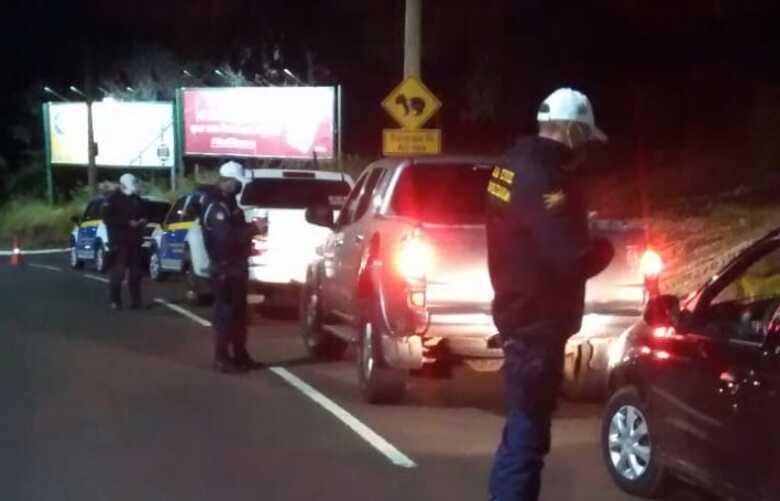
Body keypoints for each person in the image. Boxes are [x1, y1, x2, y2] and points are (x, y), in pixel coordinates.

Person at [485, 88, 614, 501]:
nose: (585, 149)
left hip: (518, 312)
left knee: (520, 433)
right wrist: (603, 247)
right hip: (537, 323)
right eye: (584, 137)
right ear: (572, 131)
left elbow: (528, 227)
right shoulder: (544, 177)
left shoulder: (510, 164)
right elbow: (570, 260)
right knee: (528, 438)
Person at [202, 161, 265, 373]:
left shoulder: (230, 204)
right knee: (225, 314)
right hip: (224, 268)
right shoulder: (216, 206)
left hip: (236, 267)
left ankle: (240, 354)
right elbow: (225, 238)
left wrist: (250, 235)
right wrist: (252, 229)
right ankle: (221, 357)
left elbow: (237, 232)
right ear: (227, 181)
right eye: (237, 183)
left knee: (239, 314)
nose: (240, 187)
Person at [102, 173, 148, 311]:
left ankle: (136, 301)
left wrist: (142, 220)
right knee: (118, 273)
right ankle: (115, 301)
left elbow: (145, 214)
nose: (134, 186)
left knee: (136, 273)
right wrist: (126, 223)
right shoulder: (112, 199)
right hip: (119, 242)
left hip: (135, 242)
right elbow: (107, 219)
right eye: (132, 183)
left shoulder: (136, 199)